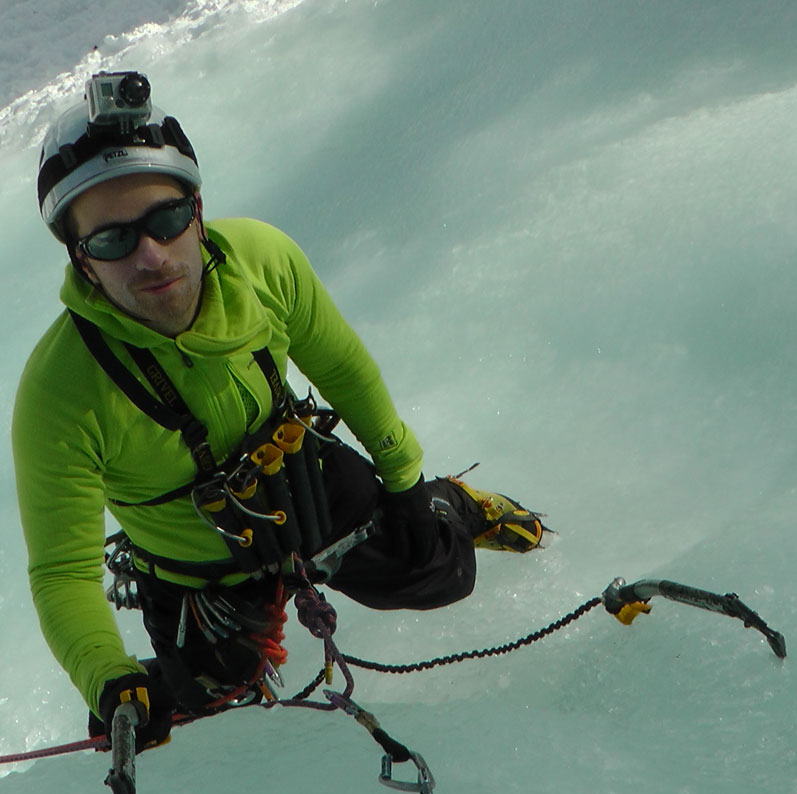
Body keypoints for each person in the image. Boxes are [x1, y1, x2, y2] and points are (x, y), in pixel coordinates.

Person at [13, 71, 547, 751]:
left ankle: (459, 507)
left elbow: (343, 368)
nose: (151, 254)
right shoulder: (59, 391)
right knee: (207, 694)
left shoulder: (263, 263)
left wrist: (407, 481)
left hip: (307, 484)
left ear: (197, 210)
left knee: (438, 572)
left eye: (167, 220)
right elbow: (61, 572)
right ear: (81, 259)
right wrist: (110, 679)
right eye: (113, 241)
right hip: (192, 566)